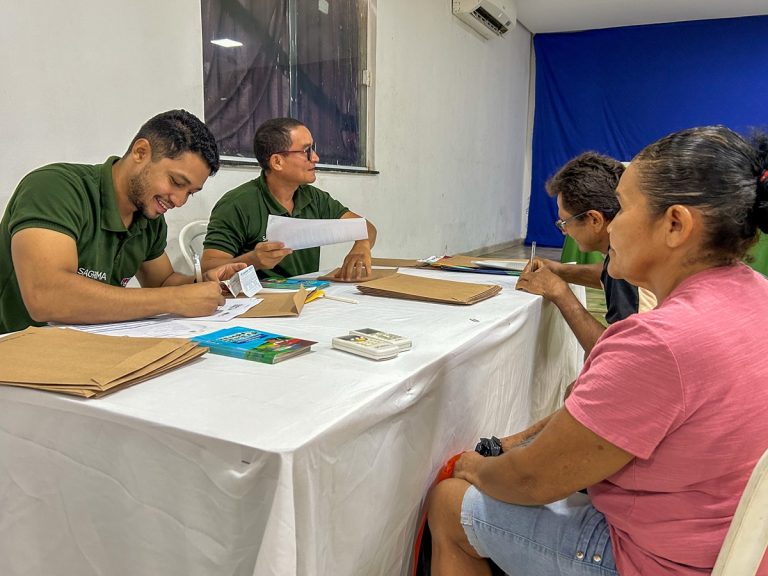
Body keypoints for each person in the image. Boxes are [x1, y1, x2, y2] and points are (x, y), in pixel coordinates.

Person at [427, 126, 768, 576]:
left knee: (449, 502)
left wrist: (474, 468)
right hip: (735, 543)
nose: (612, 224)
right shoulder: (756, 292)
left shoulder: (658, 342)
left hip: (662, 560)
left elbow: (532, 480)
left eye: (622, 207)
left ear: (675, 225)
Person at [0, 109, 245, 334]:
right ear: (141, 152)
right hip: (17, 348)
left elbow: (163, 282)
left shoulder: (148, 217)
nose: (179, 201)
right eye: (176, 182)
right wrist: (175, 299)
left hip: (93, 344)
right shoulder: (54, 188)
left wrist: (202, 283)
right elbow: (47, 298)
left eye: (190, 193)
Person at [201, 117, 377, 281]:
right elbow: (208, 269)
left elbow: (366, 227)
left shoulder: (314, 198)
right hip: (260, 299)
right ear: (277, 162)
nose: (315, 158)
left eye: (313, 149)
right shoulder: (237, 204)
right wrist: (253, 260)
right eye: (306, 151)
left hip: (307, 294)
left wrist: (362, 245)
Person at [516, 152, 655, 354]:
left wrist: (561, 293)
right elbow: (607, 274)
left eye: (565, 222)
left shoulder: (630, 264)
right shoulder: (632, 243)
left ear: (594, 220)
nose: (564, 231)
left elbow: (621, 356)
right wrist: (559, 270)